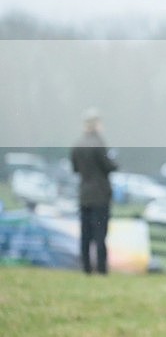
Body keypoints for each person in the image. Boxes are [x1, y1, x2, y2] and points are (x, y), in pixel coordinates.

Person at [71, 108, 117, 275]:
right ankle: (102, 269)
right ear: (96, 124)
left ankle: (86, 268)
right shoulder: (98, 144)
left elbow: (75, 168)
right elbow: (109, 166)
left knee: (85, 234)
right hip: (100, 196)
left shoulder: (77, 145)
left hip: (84, 195)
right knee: (100, 235)